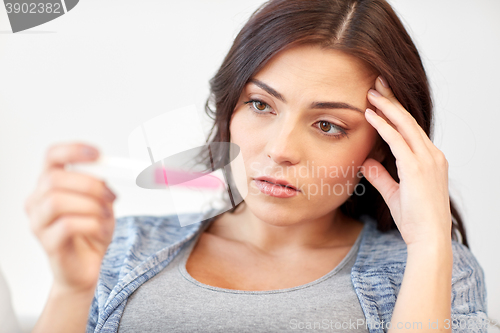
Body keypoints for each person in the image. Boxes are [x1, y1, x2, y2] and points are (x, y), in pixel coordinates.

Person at [25, 0, 488, 332]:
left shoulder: (431, 270)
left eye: (328, 125)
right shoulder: (121, 246)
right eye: (262, 105)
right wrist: (71, 290)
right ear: (230, 108)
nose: (280, 149)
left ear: (386, 147)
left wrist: (429, 246)